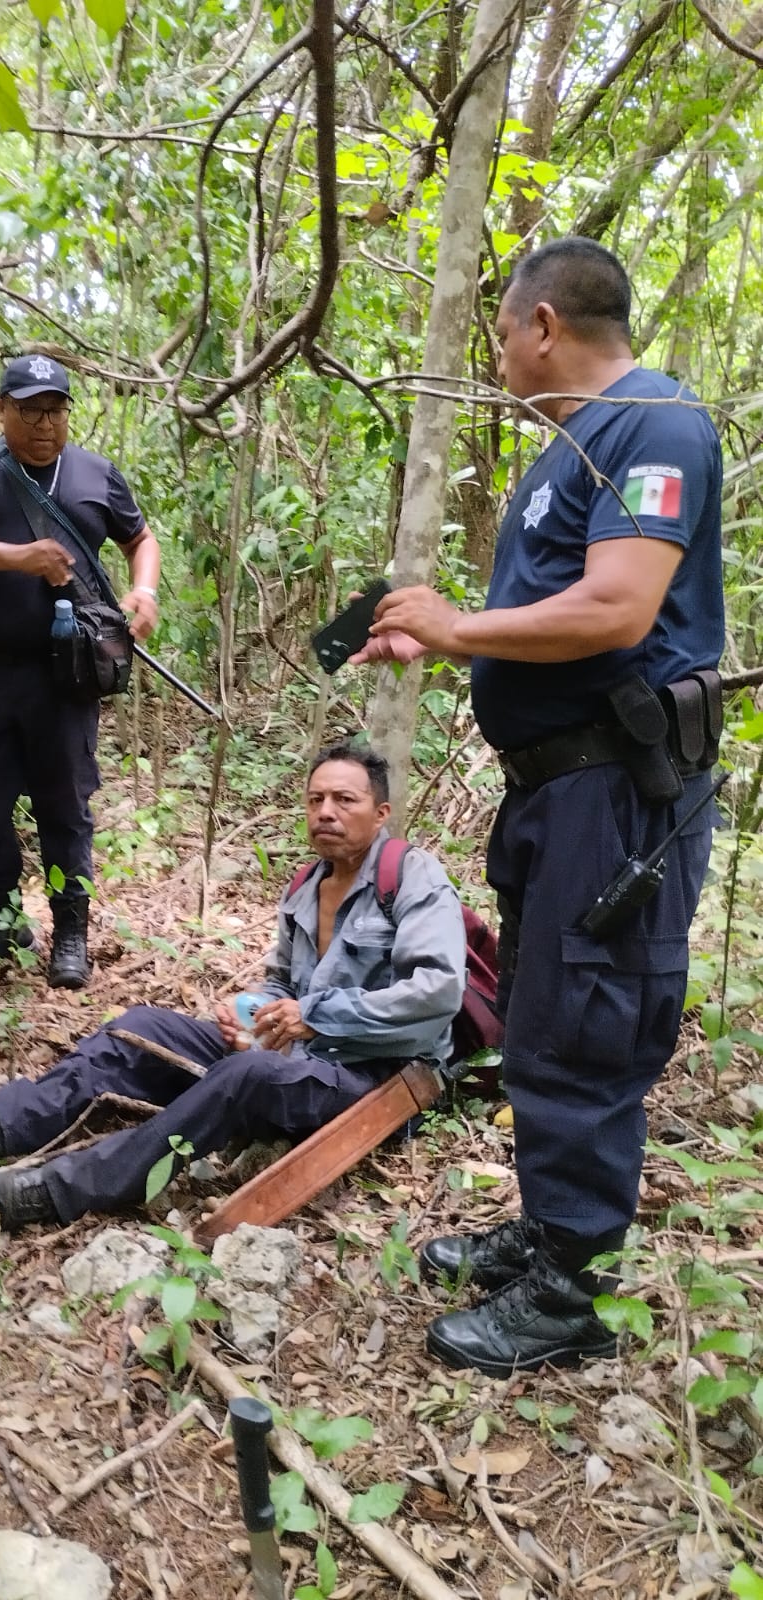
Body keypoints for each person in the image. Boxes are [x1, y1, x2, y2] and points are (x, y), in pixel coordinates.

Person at [354, 237, 724, 1377]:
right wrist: (444, 636)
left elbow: (617, 609)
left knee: (589, 1016)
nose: (500, 351)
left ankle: (573, 1285)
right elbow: (550, 616)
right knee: (544, 1009)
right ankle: (548, 1224)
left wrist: (461, 628)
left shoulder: (654, 426)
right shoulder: (563, 453)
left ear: (544, 323)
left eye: (503, 328)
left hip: (617, 786)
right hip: (552, 790)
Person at [0, 743, 467, 1233]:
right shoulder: (306, 884)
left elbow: (438, 993)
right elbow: (279, 983)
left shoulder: (412, 878)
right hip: (301, 1058)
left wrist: (316, 1015)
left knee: (247, 1076)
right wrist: (251, 1016)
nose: (326, 812)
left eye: (345, 800)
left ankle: (53, 1191)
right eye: (316, 799)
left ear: (381, 812)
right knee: (139, 1027)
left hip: (377, 1080)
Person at [0, 355, 162, 989]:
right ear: (1, 410)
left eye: (55, 409)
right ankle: (2, 922)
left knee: (65, 806)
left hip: (65, 676)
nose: (43, 423)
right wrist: (16, 558)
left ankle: (71, 932)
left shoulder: (94, 474)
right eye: (28, 409)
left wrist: (145, 591)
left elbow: (141, 539)